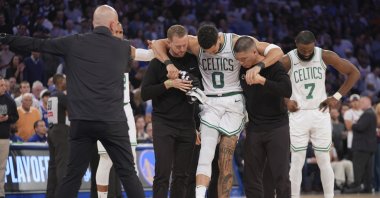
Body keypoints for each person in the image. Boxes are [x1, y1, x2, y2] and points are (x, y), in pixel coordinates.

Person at [0, 5, 154, 198]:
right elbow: (146, 54)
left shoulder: (74, 42)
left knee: (72, 176)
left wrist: (6, 38)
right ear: (114, 24)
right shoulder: (123, 48)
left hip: (82, 122)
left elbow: (37, 44)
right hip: (113, 121)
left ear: (93, 23)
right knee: (128, 172)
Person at [152, 24, 283, 198]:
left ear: (218, 40)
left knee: (225, 159)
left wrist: (259, 66)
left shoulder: (235, 41)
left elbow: (277, 51)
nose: (210, 53)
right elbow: (157, 44)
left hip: (233, 101)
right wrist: (168, 63)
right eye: (206, 51)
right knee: (206, 152)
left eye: (213, 50)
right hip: (210, 102)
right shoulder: (194, 43)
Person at [279, 30, 360, 198]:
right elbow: (269, 83)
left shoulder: (325, 55)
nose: (307, 53)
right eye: (303, 50)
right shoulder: (288, 60)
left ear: (315, 43)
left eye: (310, 49)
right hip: (298, 114)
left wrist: (336, 97)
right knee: (296, 162)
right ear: (296, 45)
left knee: (324, 160)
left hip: (320, 112)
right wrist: (286, 101)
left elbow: (354, 73)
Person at [141, 24, 201, 198]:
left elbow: (198, 96)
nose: (182, 49)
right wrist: (168, 84)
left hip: (187, 124)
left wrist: (197, 125)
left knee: (182, 175)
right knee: (162, 173)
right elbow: (145, 93)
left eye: (184, 45)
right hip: (163, 123)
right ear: (169, 43)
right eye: (177, 46)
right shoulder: (157, 63)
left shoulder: (193, 60)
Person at [95, 22, 154, 198]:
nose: (119, 35)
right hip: (105, 109)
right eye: (116, 32)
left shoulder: (126, 49)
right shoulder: (96, 51)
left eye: (121, 32)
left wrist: (156, 46)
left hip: (125, 108)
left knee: (132, 158)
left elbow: (148, 55)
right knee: (106, 159)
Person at [233, 36, 292, 198]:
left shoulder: (274, 67)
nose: (242, 63)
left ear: (254, 51)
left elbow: (287, 90)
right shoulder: (241, 69)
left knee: (281, 174)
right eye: (239, 60)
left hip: (277, 127)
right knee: (251, 176)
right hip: (254, 128)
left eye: (244, 58)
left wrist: (262, 80)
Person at [344, 96, 377, 193]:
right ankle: (367, 187)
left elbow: (360, 127)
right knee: (367, 168)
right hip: (368, 146)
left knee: (358, 167)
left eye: (361, 102)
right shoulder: (371, 113)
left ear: (367, 103)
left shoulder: (367, 114)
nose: (359, 104)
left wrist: (353, 124)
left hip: (362, 146)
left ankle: (356, 186)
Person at [46, 74, 69, 198]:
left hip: (51, 130)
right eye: (65, 80)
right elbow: (73, 110)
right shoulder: (61, 95)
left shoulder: (51, 96)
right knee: (62, 164)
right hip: (60, 130)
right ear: (61, 81)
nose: (66, 82)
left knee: (53, 165)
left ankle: (51, 194)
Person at [0, 76, 19, 198]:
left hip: (3, 138)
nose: (4, 87)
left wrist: (7, 118)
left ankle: (0, 192)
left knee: (1, 167)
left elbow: (16, 117)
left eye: (4, 85)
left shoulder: (9, 100)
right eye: (1, 85)